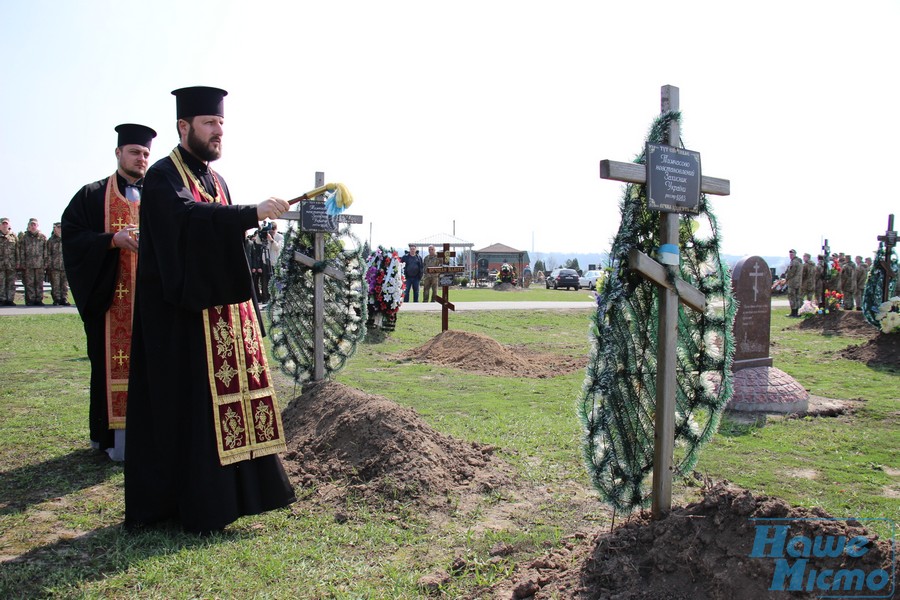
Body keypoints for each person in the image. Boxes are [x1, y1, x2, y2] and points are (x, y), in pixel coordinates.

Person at [125, 86, 295, 534]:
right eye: (209, 124)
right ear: (184, 127)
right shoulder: (163, 176)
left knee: (229, 407)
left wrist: (244, 217)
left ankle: (237, 497)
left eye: (221, 124)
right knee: (192, 411)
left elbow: (220, 237)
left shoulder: (216, 181)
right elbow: (185, 222)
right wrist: (248, 213)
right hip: (180, 319)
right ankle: (197, 504)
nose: (218, 132)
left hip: (221, 316)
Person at [62, 123, 157, 459]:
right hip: (110, 301)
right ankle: (114, 442)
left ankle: (155, 439)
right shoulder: (91, 195)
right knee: (111, 366)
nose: (141, 158)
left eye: (146, 153)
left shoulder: (161, 195)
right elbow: (72, 240)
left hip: (153, 303)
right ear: (119, 153)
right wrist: (110, 241)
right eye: (134, 152)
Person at [17, 218, 47, 306]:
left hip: (39, 264)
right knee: (29, 283)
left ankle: (39, 300)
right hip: (28, 264)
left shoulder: (42, 237)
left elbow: (45, 251)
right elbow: (21, 251)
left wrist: (45, 262)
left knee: (39, 283)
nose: (33, 227)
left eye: (35, 225)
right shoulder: (24, 238)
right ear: (28, 226)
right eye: (31, 225)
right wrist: (22, 263)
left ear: (37, 226)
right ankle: (30, 300)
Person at [46, 222, 69, 306]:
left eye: (61, 227)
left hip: (64, 265)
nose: (60, 229)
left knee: (64, 285)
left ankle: (64, 299)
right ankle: (57, 299)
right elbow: (47, 253)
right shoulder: (51, 240)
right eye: (58, 227)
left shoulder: (67, 239)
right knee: (55, 284)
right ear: (54, 228)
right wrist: (49, 265)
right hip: (54, 266)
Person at [0, 218, 16, 306]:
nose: (5, 225)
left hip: (11, 264)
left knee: (11, 283)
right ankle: (1, 299)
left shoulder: (13, 236)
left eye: (6, 224)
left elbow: (17, 250)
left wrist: (18, 262)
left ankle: (10, 300)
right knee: (1, 283)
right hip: (1, 264)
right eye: (3, 224)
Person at [784, 248, 802, 317]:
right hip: (798, 282)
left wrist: (786, 279)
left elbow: (791, 273)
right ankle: (797, 312)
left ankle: (793, 312)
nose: (790, 256)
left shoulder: (794, 262)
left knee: (792, 297)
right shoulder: (800, 262)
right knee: (797, 297)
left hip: (793, 282)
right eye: (790, 254)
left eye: (792, 254)